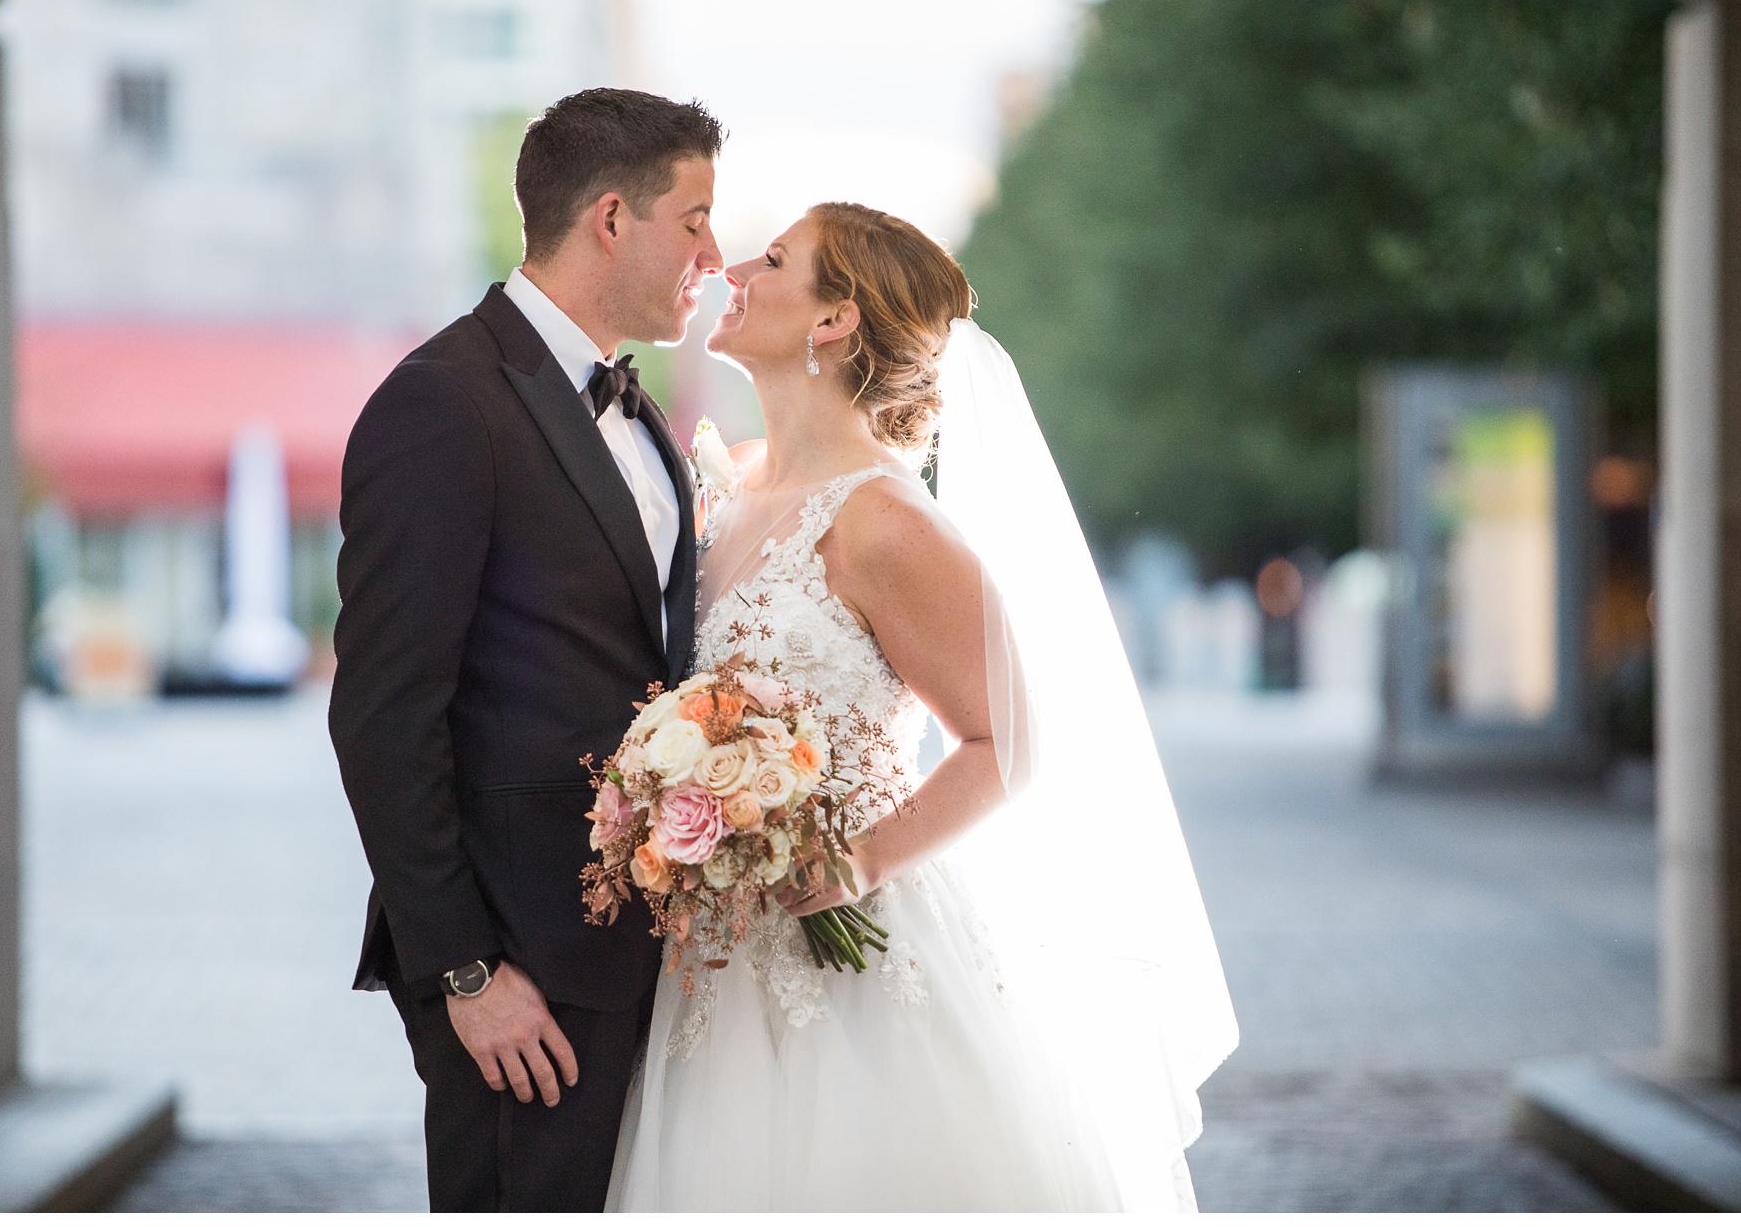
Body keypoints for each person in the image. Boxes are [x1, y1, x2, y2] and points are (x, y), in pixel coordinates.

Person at [605, 203, 1238, 1211]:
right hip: (712, 962)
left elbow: (1009, 740)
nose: (733, 270)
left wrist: (851, 859)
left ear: (832, 321)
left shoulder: (886, 521)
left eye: (772, 261)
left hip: (853, 953)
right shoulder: (724, 489)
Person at [328, 88, 721, 1211]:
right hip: (516, 972)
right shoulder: (441, 402)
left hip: (638, 948)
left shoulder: (642, 419)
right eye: (693, 218)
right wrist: (462, 968)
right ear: (611, 217)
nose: (712, 251)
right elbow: (383, 715)